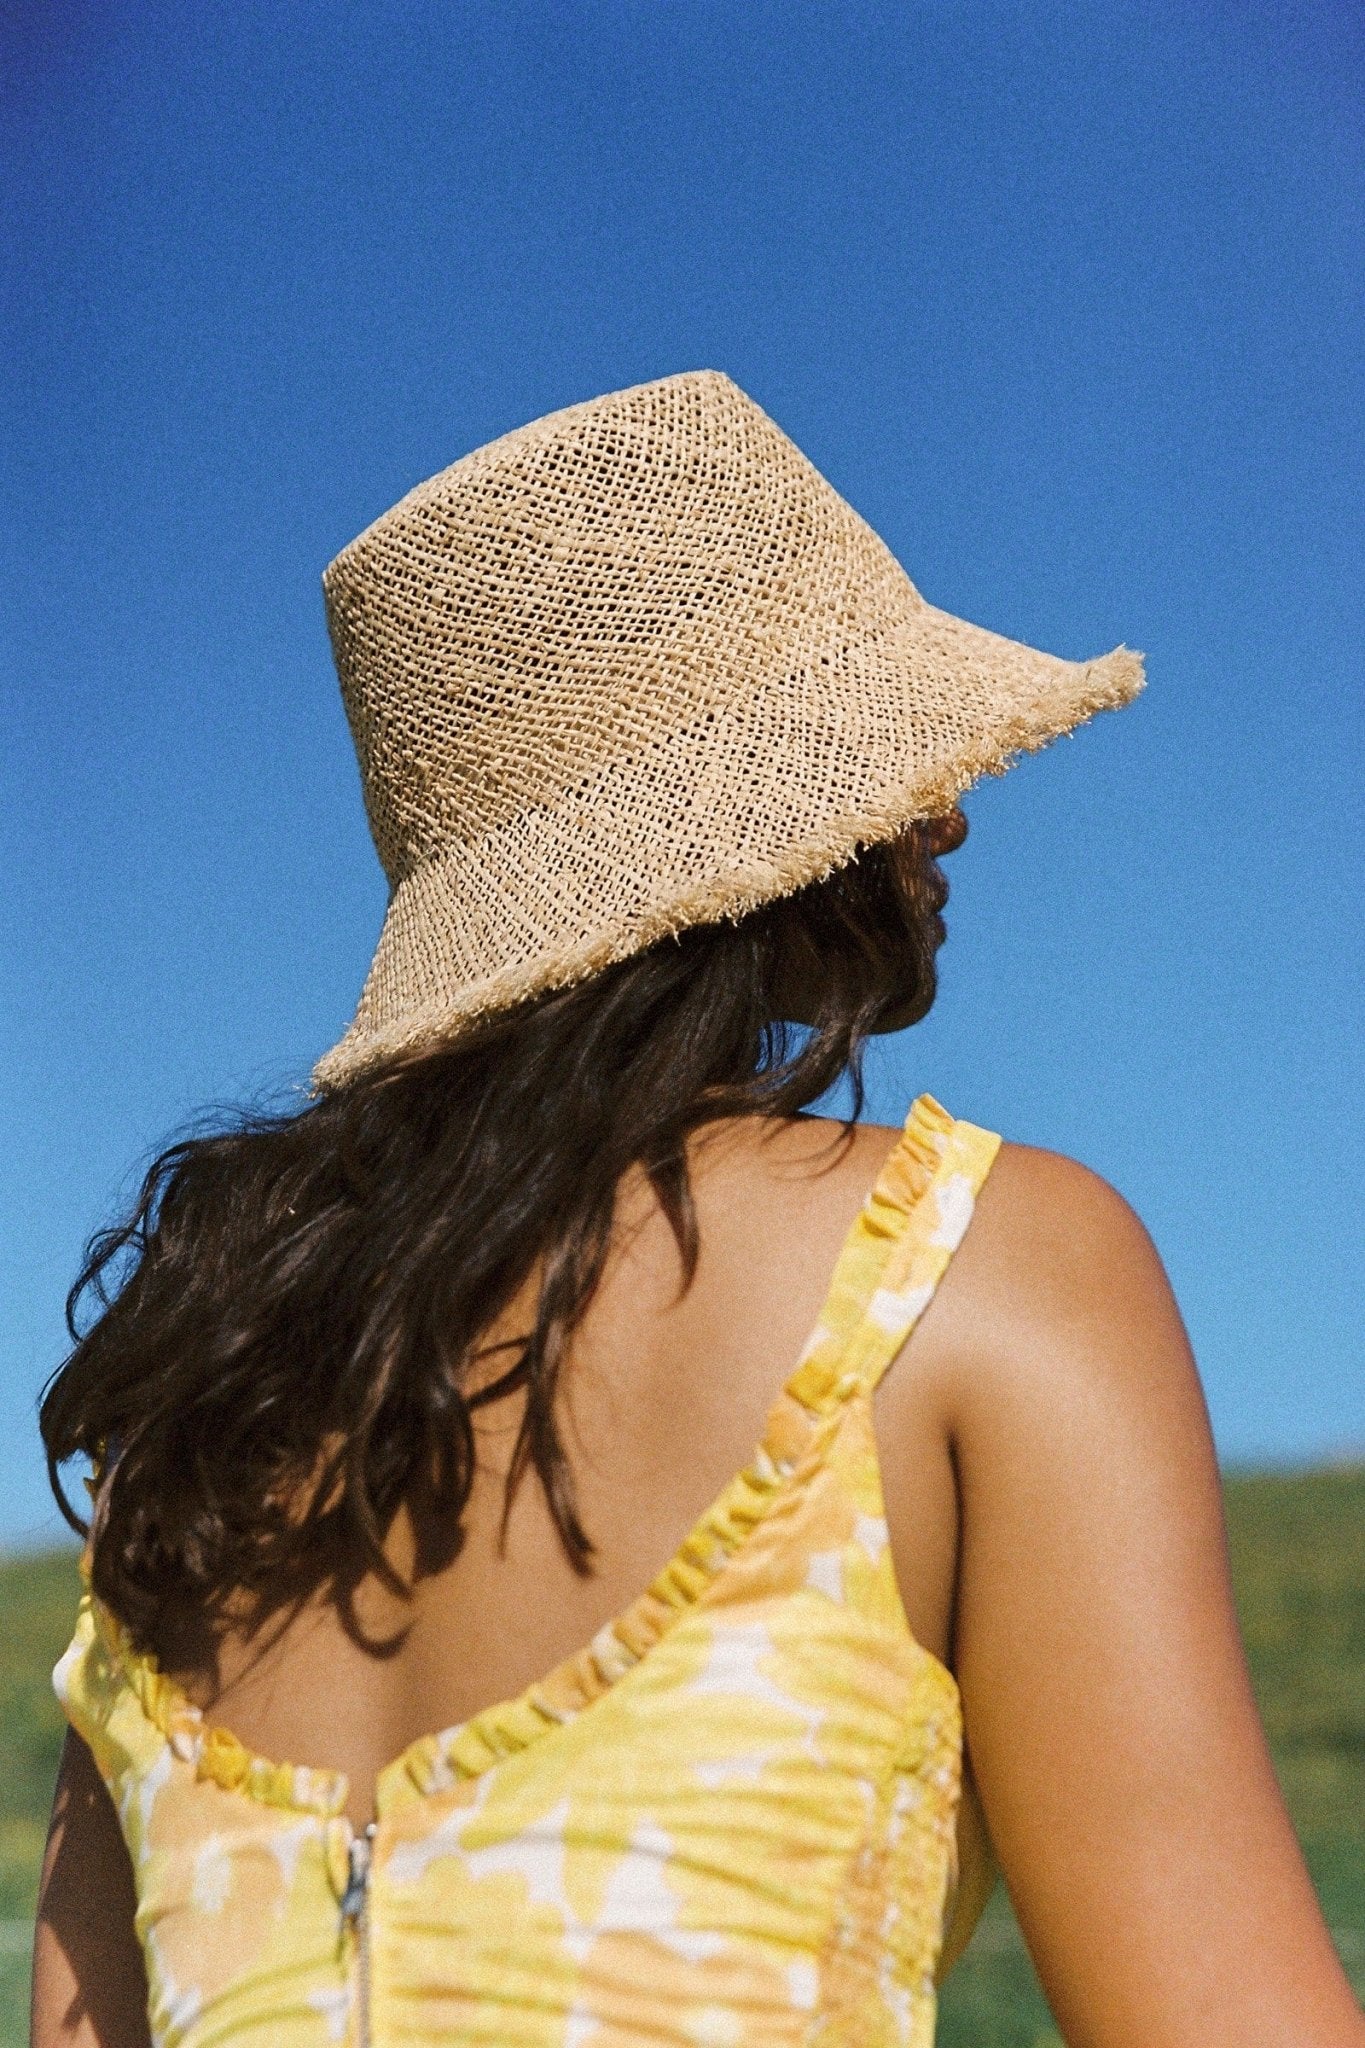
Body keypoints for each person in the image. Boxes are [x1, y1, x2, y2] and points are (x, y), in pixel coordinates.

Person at [31, 371, 1362, 2048]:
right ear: (761, 839)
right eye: (879, 761)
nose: (946, 811)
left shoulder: (192, 1439)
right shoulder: (971, 1263)